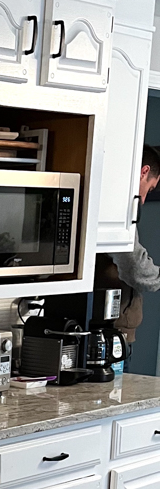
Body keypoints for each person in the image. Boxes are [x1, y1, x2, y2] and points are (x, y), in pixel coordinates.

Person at [94, 144, 160, 343]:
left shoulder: (103, 197)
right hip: (111, 333)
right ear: (144, 172)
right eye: (150, 188)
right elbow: (135, 268)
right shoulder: (118, 211)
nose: (146, 197)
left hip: (105, 328)